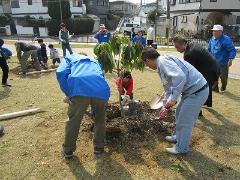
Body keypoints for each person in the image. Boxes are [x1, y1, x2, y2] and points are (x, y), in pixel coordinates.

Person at [141, 47, 209, 155]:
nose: (147, 66)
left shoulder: (162, 62)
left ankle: (181, 149)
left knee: (184, 121)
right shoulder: (161, 63)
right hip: (191, 92)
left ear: (148, 60)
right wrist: (165, 105)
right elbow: (168, 86)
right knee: (178, 113)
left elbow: (180, 77)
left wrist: (173, 99)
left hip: (197, 92)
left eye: (146, 64)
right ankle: (177, 136)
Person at [56, 53, 110, 159]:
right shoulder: (94, 60)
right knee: (100, 119)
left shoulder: (70, 58)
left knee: (74, 121)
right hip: (100, 90)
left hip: (78, 89)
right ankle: (99, 148)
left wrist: (68, 93)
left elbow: (61, 73)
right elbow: (101, 75)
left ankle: (68, 150)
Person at [173, 36, 219, 111]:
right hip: (212, 67)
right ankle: (203, 104)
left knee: (199, 88)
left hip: (210, 70)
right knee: (204, 87)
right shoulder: (191, 44)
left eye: (177, 47)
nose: (177, 49)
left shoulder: (189, 53)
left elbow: (188, 73)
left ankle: (198, 110)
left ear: (183, 44)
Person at [208, 25, 237, 92]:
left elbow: (232, 50)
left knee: (223, 77)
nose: (214, 33)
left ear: (220, 32)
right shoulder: (212, 39)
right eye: (213, 31)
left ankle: (223, 87)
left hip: (223, 63)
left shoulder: (226, 39)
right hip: (213, 62)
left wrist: (230, 59)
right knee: (214, 76)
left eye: (216, 31)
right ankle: (215, 88)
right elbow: (209, 49)